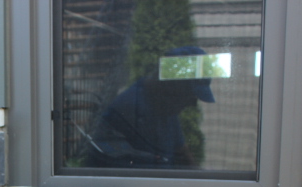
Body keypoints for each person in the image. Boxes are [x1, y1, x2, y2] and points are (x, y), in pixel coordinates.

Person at [86, 46, 215, 169]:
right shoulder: (130, 110)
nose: (192, 104)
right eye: (190, 95)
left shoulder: (165, 108)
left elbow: (182, 153)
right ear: (172, 86)